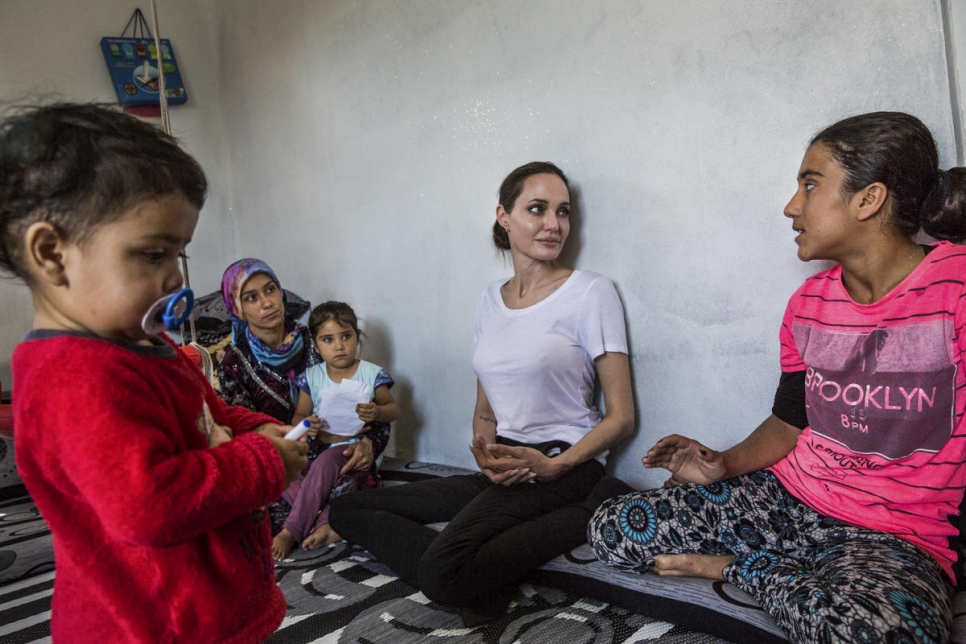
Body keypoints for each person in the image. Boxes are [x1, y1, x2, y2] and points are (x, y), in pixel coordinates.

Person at [588, 112, 966, 644]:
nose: (792, 206)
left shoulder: (957, 286)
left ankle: (739, 569)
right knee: (616, 529)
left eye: (810, 185)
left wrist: (728, 566)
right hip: (790, 499)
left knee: (882, 635)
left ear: (868, 199)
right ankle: (790, 571)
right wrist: (723, 464)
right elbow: (790, 422)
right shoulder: (808, 304)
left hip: (896, 533)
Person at [0, 103, 309, 642]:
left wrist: (260, 427)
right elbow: (149, 505)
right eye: (152, 255)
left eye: (179, 254)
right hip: (151, 626)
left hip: (211, 607)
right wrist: (262, 462)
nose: (172, 277)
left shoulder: (145, 342)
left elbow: (207, 411)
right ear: (52, 254)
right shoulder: (75, 377)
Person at [330, 161, 634, 625]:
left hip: (565, 462)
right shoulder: (488, 301)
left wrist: (556, 466)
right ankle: (480, 576)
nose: (554, 224)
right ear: (504, 216)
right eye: (538, 209)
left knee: (441, 572)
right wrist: (485, 455)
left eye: (564, 212)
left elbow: (621, 417)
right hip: (508, 466)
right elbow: (486, 408)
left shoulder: (591, 292)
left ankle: (590, 506)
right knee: (348, 509)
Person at [218, 258, 388, 536]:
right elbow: (245, 433)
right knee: (254, 507)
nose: (267, 302)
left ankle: (315, 519)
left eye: (270, 289)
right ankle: (331, 519)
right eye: (251, 297)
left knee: (354, 475)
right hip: (282, 463)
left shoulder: (319, 339)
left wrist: (369, 444)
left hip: (334, 454)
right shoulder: (234, 364)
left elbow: (364, 395)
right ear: (237, 309)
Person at [272, 300, 398, 560]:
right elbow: (298, 415)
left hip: (353, 453)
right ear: (316, 345)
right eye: (328, 339)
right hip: (319, 449)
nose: (339, 346)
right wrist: (308, 423)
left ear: (356, 336)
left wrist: (377, 411)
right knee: (284, 470)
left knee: (337, 473)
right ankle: (327, 522)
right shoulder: (313, 376)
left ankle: (292, 529)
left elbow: (392, 409)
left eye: (346, 336)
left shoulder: (371, 374)